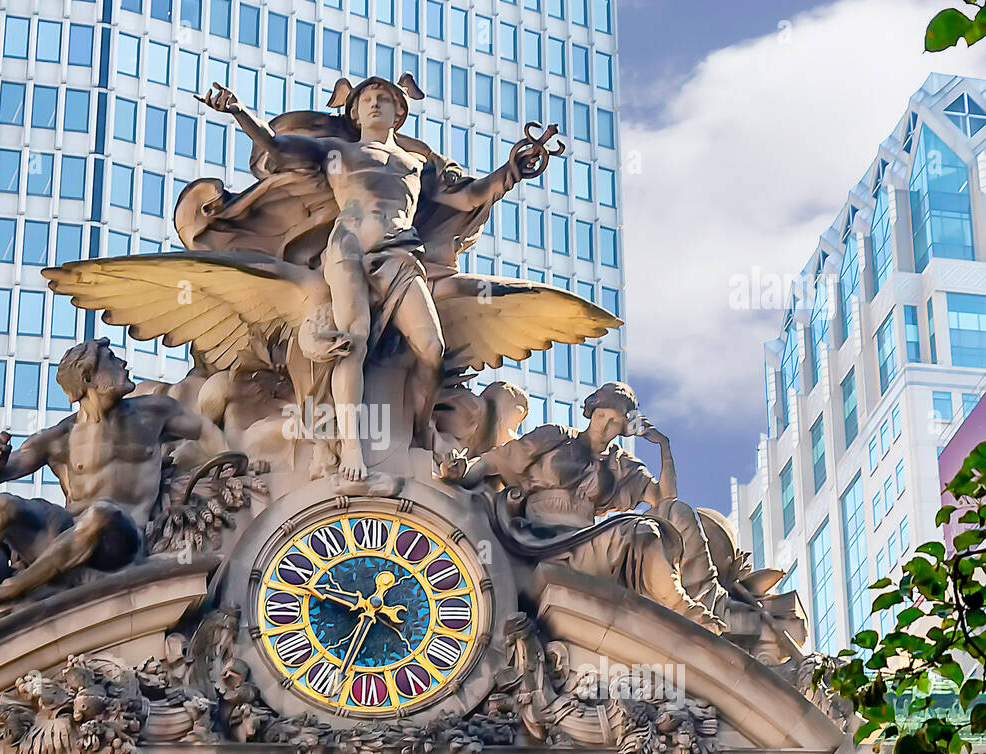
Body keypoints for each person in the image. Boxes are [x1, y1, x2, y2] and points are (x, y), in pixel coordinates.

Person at [198, 76, 546, 482]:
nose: (374, 105)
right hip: (348, 251)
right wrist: (238, 110)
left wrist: (511, 172)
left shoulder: (417, 164)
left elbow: (468, 197)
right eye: (366, 99)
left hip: (400, 254)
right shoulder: (337, 153)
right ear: (353, 111)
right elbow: (277, 145)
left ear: (400, 112)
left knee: (431, 349)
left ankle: (420, 433)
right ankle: (350, 448)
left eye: (384, 99)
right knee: (352, 343)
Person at [0, 338, 205, 640]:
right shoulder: (59, 437)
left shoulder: (153, 412)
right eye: (113, 360)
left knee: (102, 513)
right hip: (68, 534)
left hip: (121, 541)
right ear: (88, 378)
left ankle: (3, 593)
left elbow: (206, 431)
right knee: (4, 505)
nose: (124, 365)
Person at [441, 381, 727, 634]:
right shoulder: (554, 436)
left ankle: (681, 607)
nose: (603, 427)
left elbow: (665, 499)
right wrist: (461, 474)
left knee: (647, 531)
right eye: (602, 416)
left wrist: (663, 447)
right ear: (592, 411)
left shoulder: (621, 464)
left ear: (625, 429)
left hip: (586, 542)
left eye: (614, 423)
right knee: (640, 530)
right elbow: (496, 460)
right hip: (534, 535)